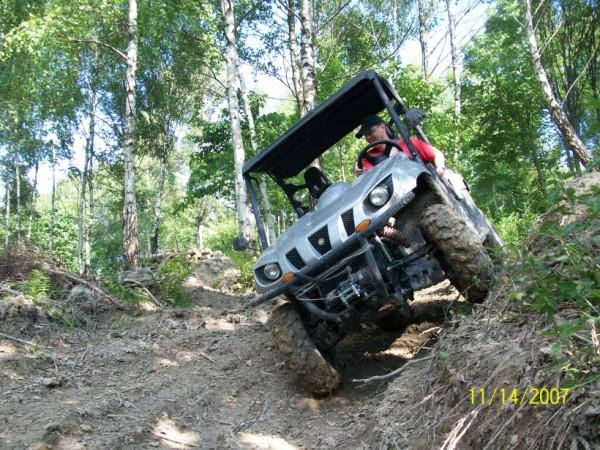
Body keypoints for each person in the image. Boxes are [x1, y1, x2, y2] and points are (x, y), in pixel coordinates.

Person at [354, 115, 446, 176]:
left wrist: (440, 167)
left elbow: (436, 154)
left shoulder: (408, 143)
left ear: (382, 127)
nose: (368, 138)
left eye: (371, 132)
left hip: (422, 183)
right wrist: (361, 173)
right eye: (366, 136)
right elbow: (368, 177)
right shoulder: (367, 158)